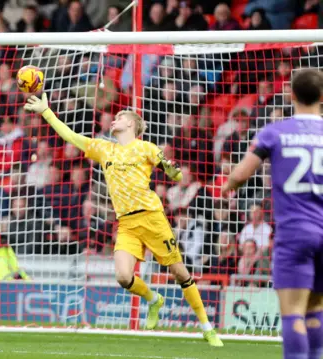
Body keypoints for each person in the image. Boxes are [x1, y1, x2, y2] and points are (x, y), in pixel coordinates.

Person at [23, 94, 223, 347]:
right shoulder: (104, 149)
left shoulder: (146, 147)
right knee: (122, 276)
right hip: (126, 224)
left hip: (152, 219)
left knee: (179, 272)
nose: (114, 119)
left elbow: (176, 174)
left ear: (132, 124)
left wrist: (173, 171)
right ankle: (153, 300)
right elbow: (71, 137)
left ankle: (207, 327)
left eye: (120, 117)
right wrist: (46, 111)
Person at [223, 69, 323, 359]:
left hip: (294, 234)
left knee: (293, 313)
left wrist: (229, 184)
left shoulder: (274, 132)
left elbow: (241, 174)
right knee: (316, 309)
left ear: (291, 95)